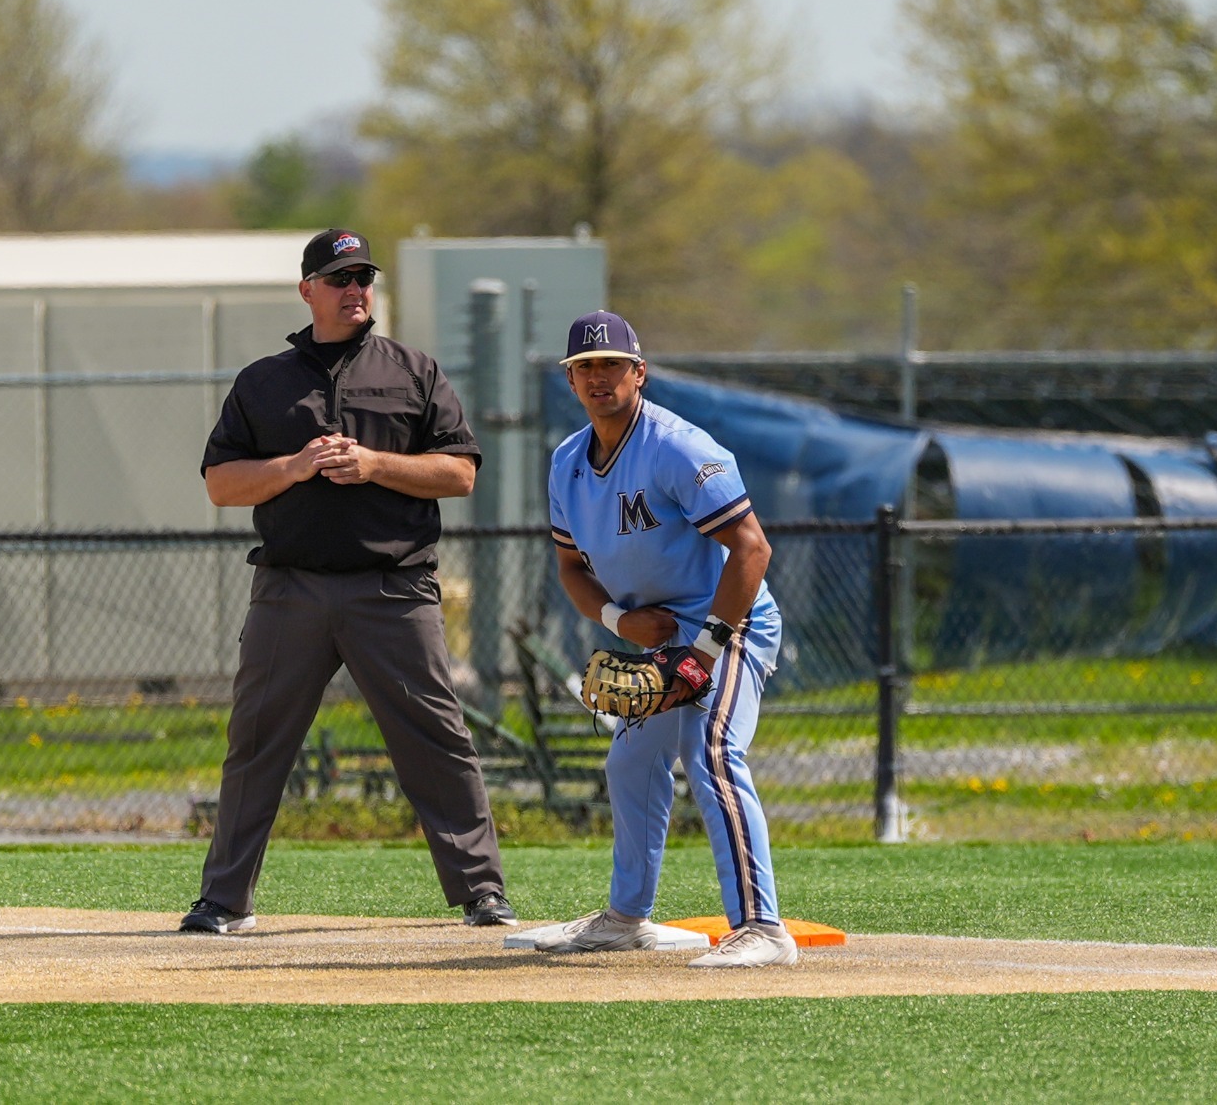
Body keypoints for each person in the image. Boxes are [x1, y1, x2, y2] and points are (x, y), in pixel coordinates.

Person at [184, 228, 514, 932]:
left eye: (363, 277)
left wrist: (373, 464)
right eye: (339, 278)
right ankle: (225, 900)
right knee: (257, 743)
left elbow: (459, 472)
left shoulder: (413, 371)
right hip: (290, 590)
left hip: (393, 590)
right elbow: (221, 484)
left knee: (436, 740)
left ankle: (482, 892)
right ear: (308, 290)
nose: (355, 289)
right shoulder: (264, 382)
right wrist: (295, 466)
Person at [535, 310, 796, 968]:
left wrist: (703, 652)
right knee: (629, 763)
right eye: (585, 366)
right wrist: (618, 622)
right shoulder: (567, 463)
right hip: (660, 637)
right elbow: (570, 569)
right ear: (571, 380)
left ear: (640, 373)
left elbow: (752, 548)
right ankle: (627, 918)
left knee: (711, 750)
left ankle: (763, 928)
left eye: (612, 364)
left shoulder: (678, 448)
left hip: (728, 625)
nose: (599, 376)